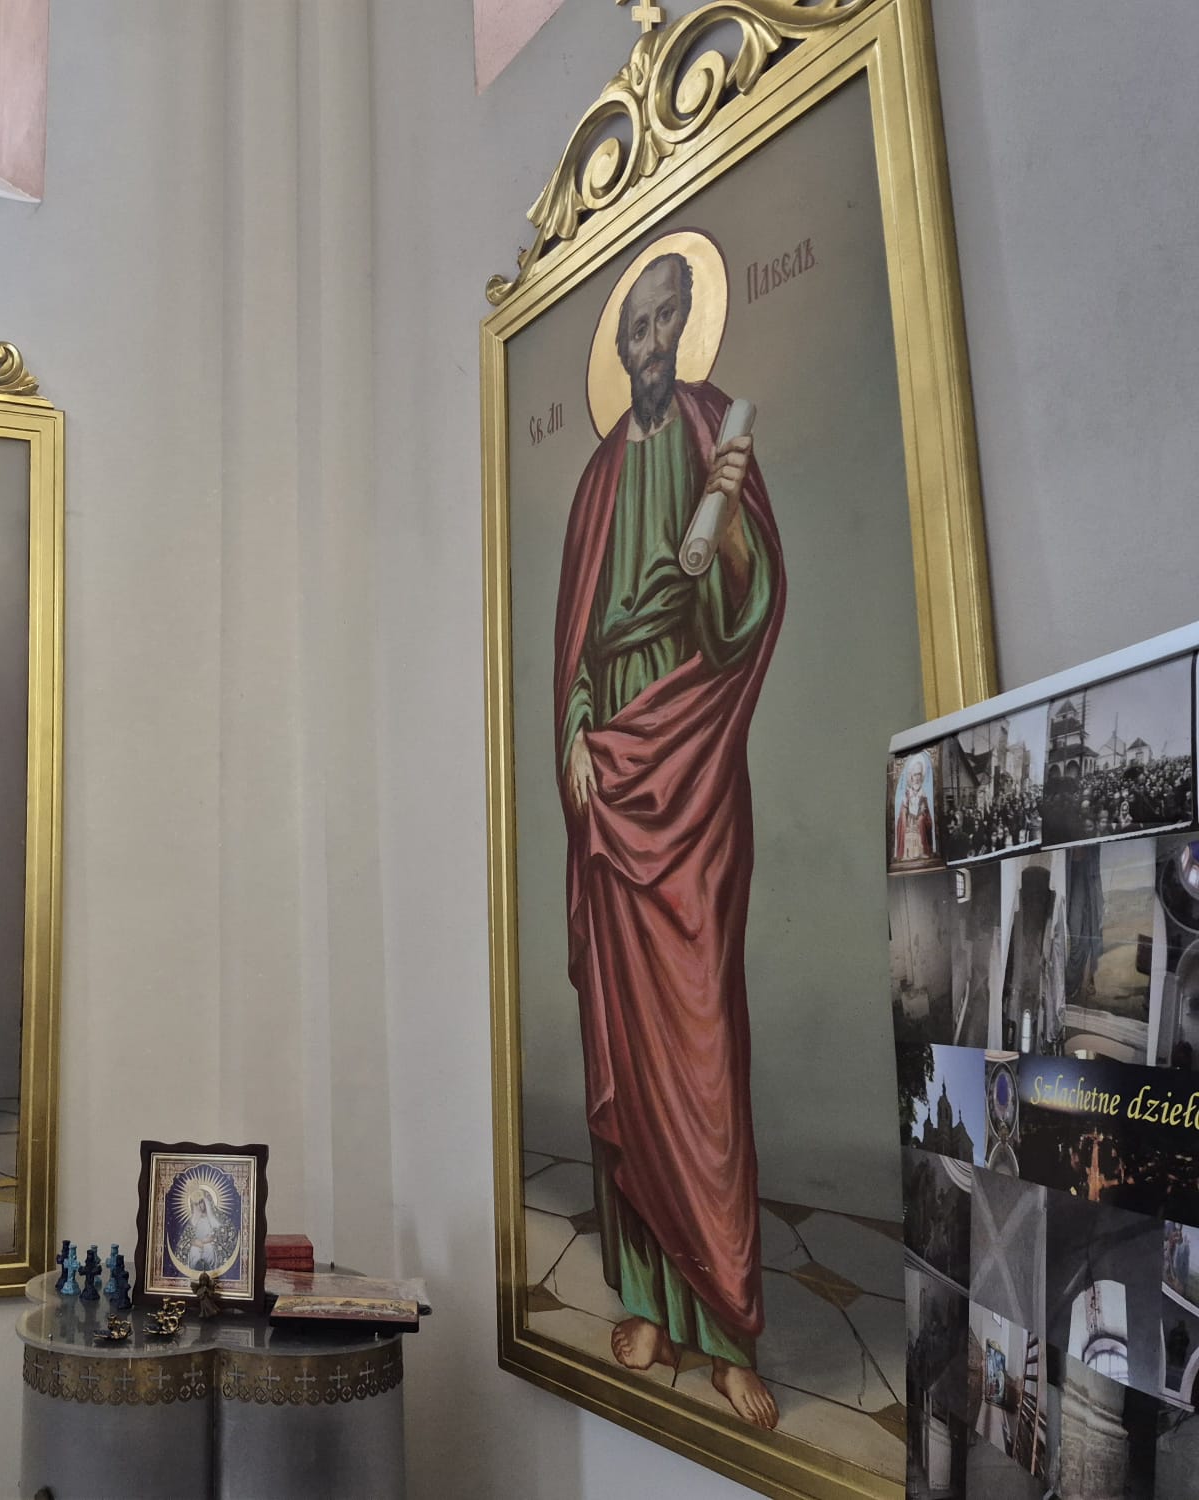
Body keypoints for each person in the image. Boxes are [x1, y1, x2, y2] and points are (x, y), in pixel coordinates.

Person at [553, 252, 784, 1427]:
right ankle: (645, 1294)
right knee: (625, 1036)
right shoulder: (597, 480)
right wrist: (574, 737)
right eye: (633, 329)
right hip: (611, 765)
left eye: (664, 323)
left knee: (698, 1045)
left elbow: (740, 615)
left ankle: (726, 1322)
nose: (648, 346)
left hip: (687, 758)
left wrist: (727, 523)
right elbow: (571, 646)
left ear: (686, 328)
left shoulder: (711, 438)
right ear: (620, 344)